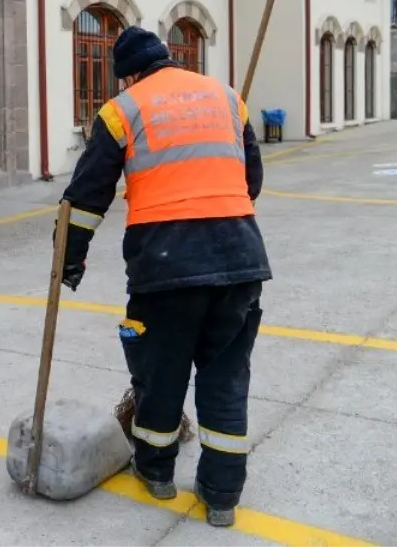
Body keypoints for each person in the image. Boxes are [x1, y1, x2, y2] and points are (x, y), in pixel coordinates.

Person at [57, 26, 270, 527]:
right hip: (239, 261)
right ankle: (221, 498)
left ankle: (155, 473)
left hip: (165, 269)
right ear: (168, 60)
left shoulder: (122, 109)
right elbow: (252, 181)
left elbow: (86, 198)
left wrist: (70, 259)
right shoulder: (227, 98)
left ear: (129, 74)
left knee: (160, 374)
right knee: (225, 380)